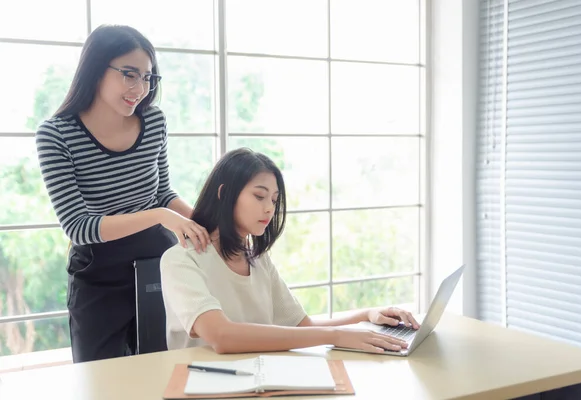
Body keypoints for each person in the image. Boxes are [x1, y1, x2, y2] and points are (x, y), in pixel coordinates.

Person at [35, 25, 210, 363]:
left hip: (158, 265)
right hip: (98, 276)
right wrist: (162, 217)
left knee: (165, 373)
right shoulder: (56, 135)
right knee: (102, 384)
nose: (140, 89)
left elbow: (162, 194)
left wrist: (208, 225)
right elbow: (79, 227)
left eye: (147, 78)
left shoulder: (154, 122)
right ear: (96, 68)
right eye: (129, 75)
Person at [160, 148, 420, 354]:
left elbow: (304, 327)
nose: (269, 209)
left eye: (274, 200)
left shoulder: (259, 260)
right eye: (259, 196)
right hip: (202, 386)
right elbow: (221, 336)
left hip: (260, 380)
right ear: (224, 194)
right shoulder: (181, 259)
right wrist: (336, 336)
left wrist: (367, 315)